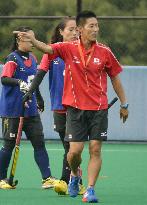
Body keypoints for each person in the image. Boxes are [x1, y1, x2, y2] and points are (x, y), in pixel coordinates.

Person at [15, 11, 129, 203]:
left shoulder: (104, 51)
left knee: (95, 149)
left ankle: (90, 190)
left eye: (97, 26)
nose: (96, 29)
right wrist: (33, 41)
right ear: (80, 29)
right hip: (75, 109)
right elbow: (47, 49)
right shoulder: (67, 48)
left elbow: (115, 78)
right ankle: (75, 175)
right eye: (91, 26)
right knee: (74, 152)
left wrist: (124, 103)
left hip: (99, 109)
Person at [0, 26, 57, 189]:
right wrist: (19, 82)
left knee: (39, 143)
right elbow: (4, 79)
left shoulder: (32, 58)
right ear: (19, 40)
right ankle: (2, 178)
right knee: (8, 145)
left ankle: (47, 178)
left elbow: (34, 81)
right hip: (12, 111)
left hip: (30, 110)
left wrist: (39, 98)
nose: (32, 42)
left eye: (34, 38)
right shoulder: (12, 58)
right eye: (28, 39)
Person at [39, 17, 86, 195]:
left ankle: (65, 180)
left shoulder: (82, 51)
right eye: (71, 30)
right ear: (61, 32)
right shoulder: (51, 52)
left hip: (76, 107)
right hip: (58, 106)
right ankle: (77, 178)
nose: (75, 33)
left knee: (69, 146)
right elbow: (41, 73)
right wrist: (35, 94)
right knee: (67, 146)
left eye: (76, 30)